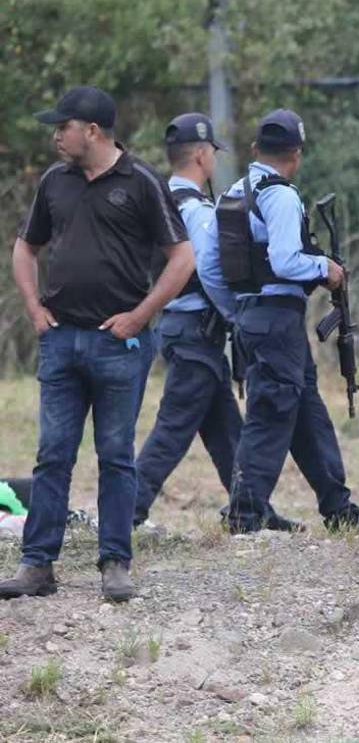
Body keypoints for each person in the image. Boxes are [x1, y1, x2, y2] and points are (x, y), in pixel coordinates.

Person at [1, 86, 193, 602]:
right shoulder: (54, 182)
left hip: (119, 345)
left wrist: (140, 316)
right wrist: (35, 309)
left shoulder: (142, 181)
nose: (56, 135)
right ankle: (37, 566)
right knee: (52, 455)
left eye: (62, 126)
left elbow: (182, 258)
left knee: (115, 454)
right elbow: (25, 247)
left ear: (92, 130)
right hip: (61, 341)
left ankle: (115, 563)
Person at [133, 114, 301, 530]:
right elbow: (211, 269)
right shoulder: (196, 210)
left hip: (179, 329)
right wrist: (235, 313)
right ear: (204, 156)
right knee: (173, 430)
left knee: (226, 428)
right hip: (196, 331)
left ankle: (252, 505)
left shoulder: (158, 200)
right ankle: (127, 508)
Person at [209, 109, 359, 534]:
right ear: (296, 153)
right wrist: (326, 268)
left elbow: (210, 265)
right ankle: (243, 513)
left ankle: (337, 507)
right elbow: (286, 259)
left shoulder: (234, 192)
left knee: (307, 413)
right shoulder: (280, 195)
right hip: (276, 317)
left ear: (257, 149)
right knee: (271, 414)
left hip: (256, 316)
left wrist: (236, 308)